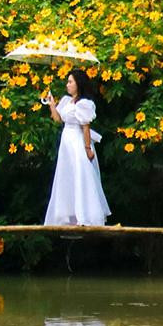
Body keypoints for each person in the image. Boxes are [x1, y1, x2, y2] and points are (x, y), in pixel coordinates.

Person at [41, 68, 111, 226]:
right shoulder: (67, 101)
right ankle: (68, 214)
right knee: (67, 174)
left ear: (78, 84)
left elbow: (85, 126)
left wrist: (87, 148)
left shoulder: (84, 104)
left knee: (81, 173)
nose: (68, 85)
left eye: (70, 82)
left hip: (77, 141)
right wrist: (52, 104)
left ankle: (84, 214)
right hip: (67, 141)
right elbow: (58, 119)